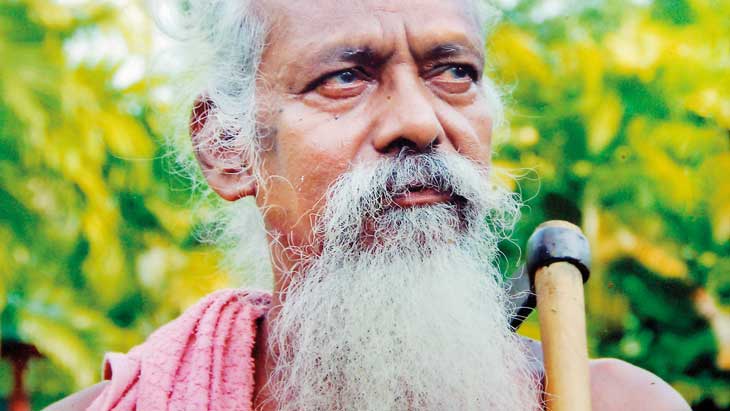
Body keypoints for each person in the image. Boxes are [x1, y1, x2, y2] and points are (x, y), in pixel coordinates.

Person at [46, 0, 691, 410]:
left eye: (454, 72)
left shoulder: (616, 405)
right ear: (227, 147)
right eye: (345, 78)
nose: (419, 122)